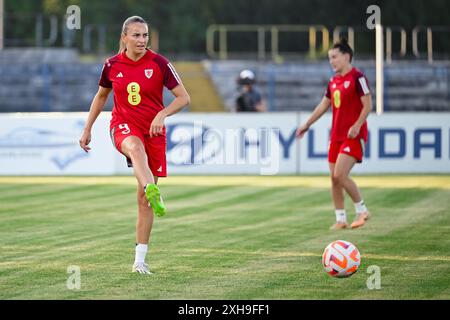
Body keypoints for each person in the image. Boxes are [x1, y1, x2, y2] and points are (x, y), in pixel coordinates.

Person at [79, 16, 190, 274]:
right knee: (135, 148)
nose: (142, 40)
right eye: (137, 35)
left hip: (154, 131)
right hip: (123, 125)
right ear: (124, 38)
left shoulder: (160, 63)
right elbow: (101, 96)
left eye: (145, 35)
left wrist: (162, 114)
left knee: (144, 201)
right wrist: (87, 128)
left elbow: (184, 98)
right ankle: (150, 186)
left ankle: (140, 261)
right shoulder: (112, 65)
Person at [296, 37, 372, 230]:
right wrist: (307, 124)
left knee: (339, 174)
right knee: (334, 178)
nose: (332, 61)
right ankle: (341, 219)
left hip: (353, 135)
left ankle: (362, 210)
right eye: (330, 58)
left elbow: (368, 105)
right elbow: (324, 105)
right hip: (336, 136)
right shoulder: (334, 81)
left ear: (346, 57)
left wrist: (357, 124)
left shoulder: (358, 78)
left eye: (335, 57)